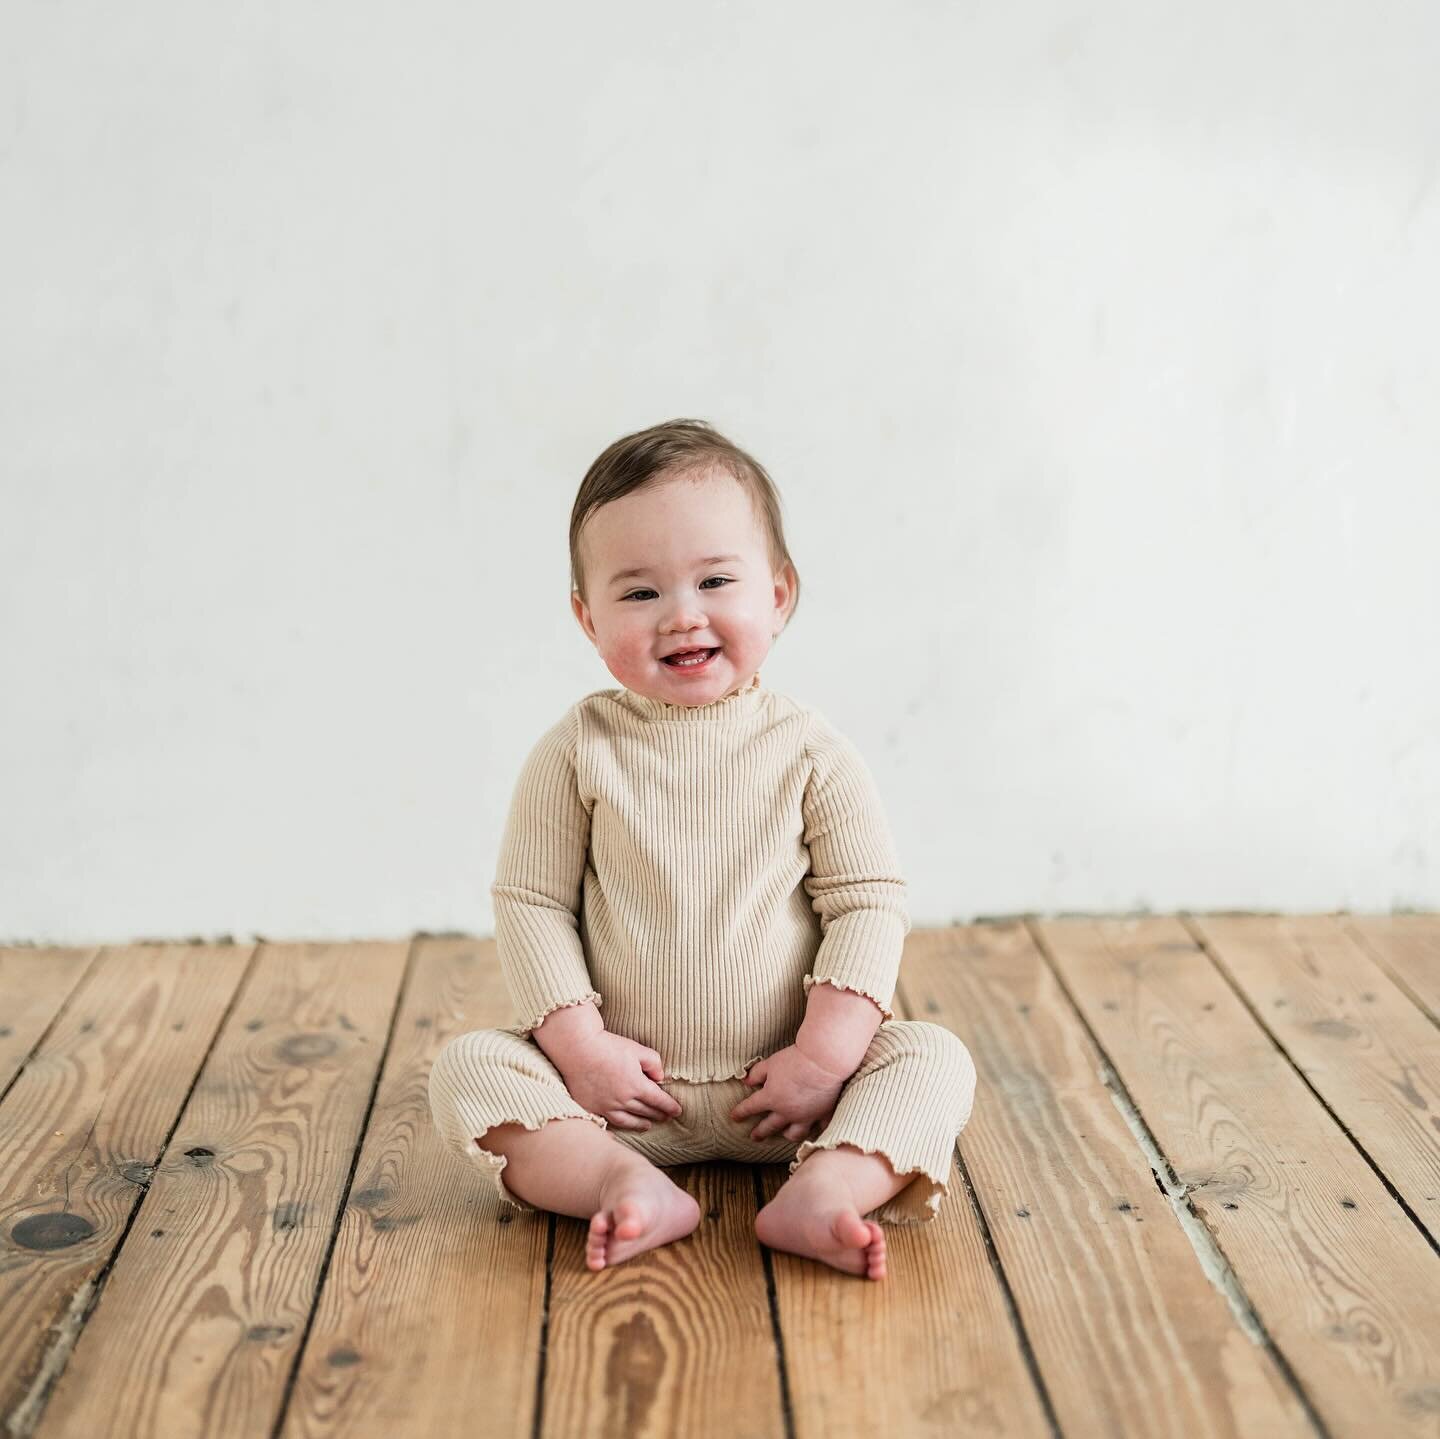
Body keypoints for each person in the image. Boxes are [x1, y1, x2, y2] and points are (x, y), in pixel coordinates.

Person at [428, 418, 977, 1279]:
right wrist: (580, 1051)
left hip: (796, 1092)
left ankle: (826, 1185)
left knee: (933, 1059)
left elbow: (867, 899)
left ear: (780, 595)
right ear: (586, 616)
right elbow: (531, 903)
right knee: (470, 1069)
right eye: (639, 593)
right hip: (622, 1098)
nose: (683, 615)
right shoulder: (578, 748)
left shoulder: (809, 749)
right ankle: (621, 1182)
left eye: (716, 579)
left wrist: (824, 1059)